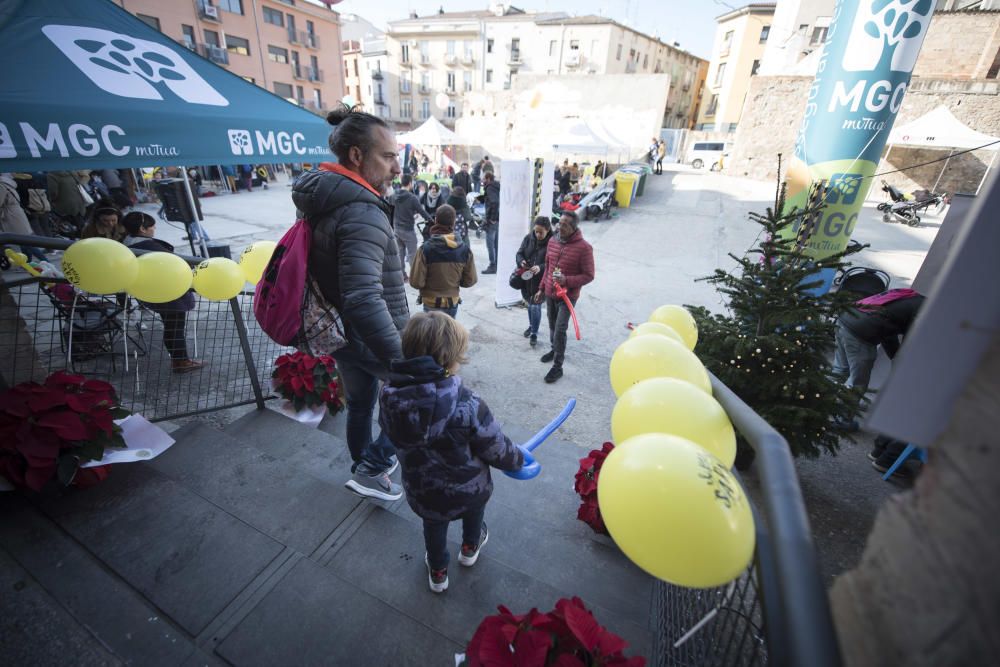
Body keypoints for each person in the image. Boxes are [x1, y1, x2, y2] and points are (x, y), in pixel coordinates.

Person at [292, 107, 408, 502]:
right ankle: (372, 468)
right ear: (356, 156)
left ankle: (364, 464)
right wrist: (400, 358)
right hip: (370, 336)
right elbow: (363, 296)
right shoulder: (361, 210)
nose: (397, 167)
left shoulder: (324, 194)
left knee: (360, 404)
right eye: (388, 156)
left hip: (338, 332)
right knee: (417, 399)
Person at [378, 311, 524, 593]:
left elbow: (389, 432)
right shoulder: (468, 403)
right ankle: (469, 549)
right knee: (473, 516)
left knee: (433, 528)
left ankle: (438, 572)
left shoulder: (389, 396)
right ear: (450, 358)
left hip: (424, 490)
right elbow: (496, 447)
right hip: (470, 489)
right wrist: (516, 459)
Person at [121, 211, 205, 374]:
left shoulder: (127, 243)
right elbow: (172, 263)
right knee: (175, 327)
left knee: (171, 326)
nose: (154, 229)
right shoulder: (148, 246)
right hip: (169, 292)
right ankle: (181, 361)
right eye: (152, 227)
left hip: (156, 291)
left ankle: (179, 359)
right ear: (142, 229)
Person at [535, 211, 595, 383]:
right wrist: (541, 288)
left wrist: (566, 280)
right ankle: (554, 350)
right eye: (559, 223)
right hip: (550, 293)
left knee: (560, 329)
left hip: (568, 296)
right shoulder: (552, 241)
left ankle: (557, 366)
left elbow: (589, 275)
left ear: (574, 228)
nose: (560, 227)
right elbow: (547, 266)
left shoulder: (584, 248)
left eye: (565, 224)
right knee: (553, 326)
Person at [832, 289, 925, 394]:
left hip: (845, 317)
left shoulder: (910, 297)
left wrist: (895, 356)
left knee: (840, 370)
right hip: (860, 331)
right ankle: (845, 408)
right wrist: (898, 359)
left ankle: (821, 401)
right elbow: (910, 338)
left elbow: (888, 332)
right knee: (857, 382)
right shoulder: (923, 310)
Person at [409, 205, 477, 319]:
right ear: (453, 222)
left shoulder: (425, 249)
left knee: (432, 335)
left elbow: (416, 282)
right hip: (452, 302)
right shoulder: (465, 250)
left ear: (436, 220)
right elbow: (470, 281)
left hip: (431, 302)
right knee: (448, 335)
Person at [516, 216, 552, 347]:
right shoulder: (528, 238)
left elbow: (554, 263)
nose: (537, 234)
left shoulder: (553, 242)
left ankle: (534, 333)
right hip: (526, 279)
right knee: (530, 305)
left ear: (548, 230)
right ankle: (531, 326)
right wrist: (521, 261)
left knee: (535, 306)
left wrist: (541, 267)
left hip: (542, 282)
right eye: (536, 231)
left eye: (540, 232)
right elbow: (519, 253)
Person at [393, 174, 434, 280]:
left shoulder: (393, 195)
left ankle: (402, 275)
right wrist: (433, 221)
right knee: (412, 255)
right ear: (410, 183)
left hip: (396, 228)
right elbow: (422, 212)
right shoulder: (412, 198)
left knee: (400, 253)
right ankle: (415, 277)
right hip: (407, 229)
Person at [0, 173, 46, 262]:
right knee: (23, 240)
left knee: (24, 241)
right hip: (16, 214)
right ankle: (28, 262)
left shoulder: (1, 186)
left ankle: (44, 260)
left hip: (11, 216)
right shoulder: (9, 184)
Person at [481, 172, 501, 274]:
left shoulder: (490, 188)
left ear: (488, 179)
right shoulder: (497, 186)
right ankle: (496, 264)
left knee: (490, 243)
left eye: (483, 178)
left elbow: (495, 202)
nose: (482, 180)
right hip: (498, 219)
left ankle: (492, 265)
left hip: (492, 220)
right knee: (496, 243)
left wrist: (492, 218)